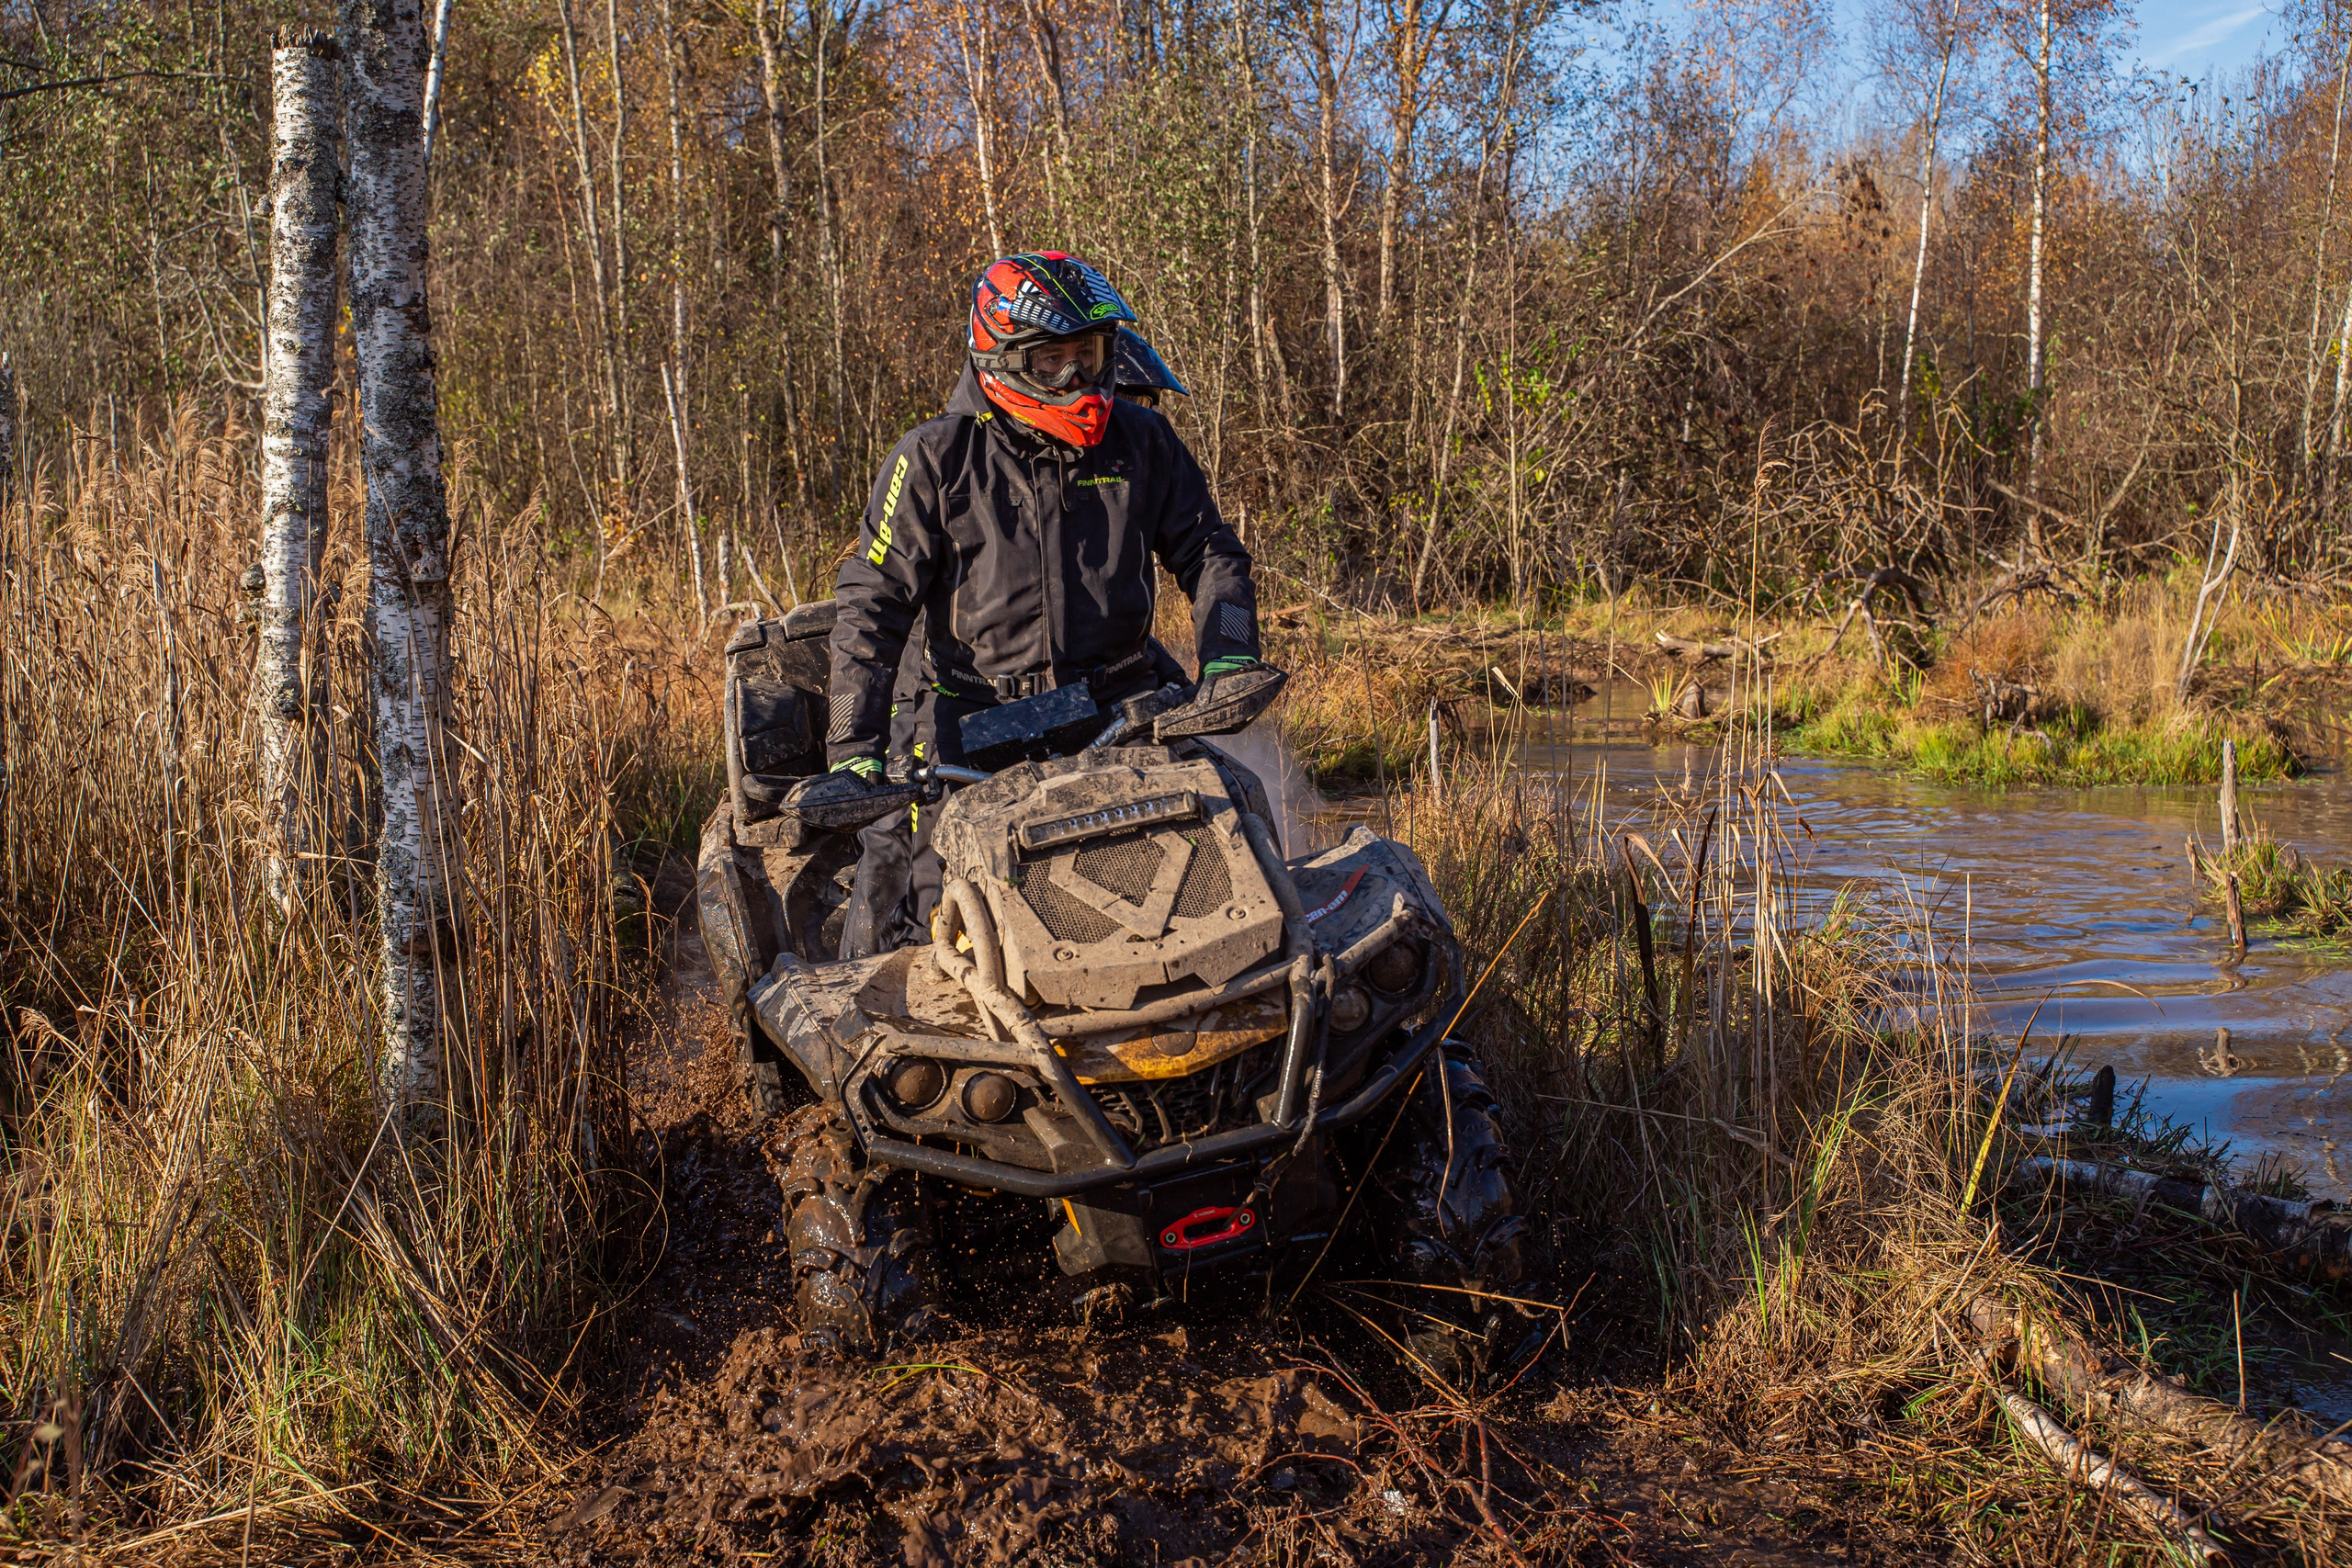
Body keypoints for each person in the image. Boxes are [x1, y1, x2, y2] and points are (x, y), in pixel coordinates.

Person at [818, 252, 1273, 956]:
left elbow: (1210, 549)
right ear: (1001, 360)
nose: (1077, 379)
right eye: (1053, 361)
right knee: (908, 893)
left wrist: (1231, 654)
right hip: (969, 718)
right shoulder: (935, 458)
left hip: (1114, 701)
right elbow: (871, 607)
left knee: (1238, 816)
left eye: (1088, 357)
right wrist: (853, 752)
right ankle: (856, 1043)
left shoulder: (1142, 439)